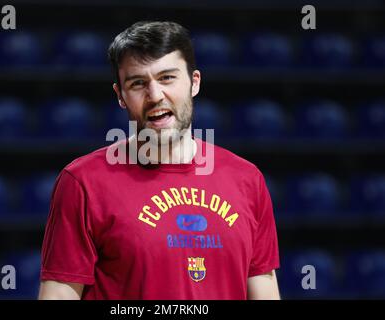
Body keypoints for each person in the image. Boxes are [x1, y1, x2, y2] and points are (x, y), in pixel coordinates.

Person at [38, 21, 280, 300]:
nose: (155, 96)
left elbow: (264, 289)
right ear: (121, 96)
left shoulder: (247, 180)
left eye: (167, 78)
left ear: (194, 82)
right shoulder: (83, 183)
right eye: (138, 83)